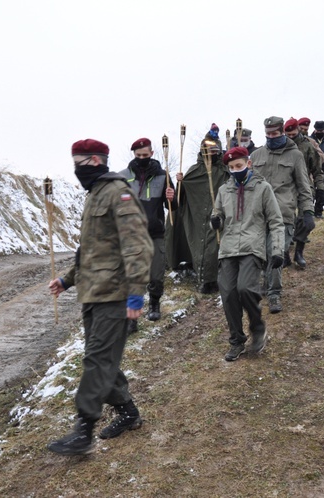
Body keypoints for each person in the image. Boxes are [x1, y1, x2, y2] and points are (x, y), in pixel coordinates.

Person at [47, 139, 153, 456]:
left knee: (97, 360)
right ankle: (128, 412)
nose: (76, 168)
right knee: (102, 358)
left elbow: (138, 246)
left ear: (95, 160)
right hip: (93, 293)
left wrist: (136, 296)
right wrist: (67, 279)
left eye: (79, 161)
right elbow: (90, 251)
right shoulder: (94, 196)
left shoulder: (118, 193)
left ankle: (83, 430)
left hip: (115, 294)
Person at [211, 147, 284, 361]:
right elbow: (217, 215)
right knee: (228, 292)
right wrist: (215, 221)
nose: (235, 170)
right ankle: (237, 340)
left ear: (249, 164)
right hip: (228, 248)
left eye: (239, 166)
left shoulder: (263, 188)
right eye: (232, 168)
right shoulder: (224, 190)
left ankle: (257, 327)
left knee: (245, 288)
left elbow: (276, 221)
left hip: (253, 247)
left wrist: (277, 249)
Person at [250, 116, 313, 313]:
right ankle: (263, 283)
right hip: (258, 214)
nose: (271, 137)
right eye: (268, 134)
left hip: (283, 214)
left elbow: (304, 186)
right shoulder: (256, 155)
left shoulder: (295, 156)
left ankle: (274, 293)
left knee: (276, 253)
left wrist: (308, 211)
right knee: (260, 253)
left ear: (282, 132)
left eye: (275, 134)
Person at [118, 138, 176, 332]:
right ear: (134, 154)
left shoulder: (164, 177)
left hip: (155, 232)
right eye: (138, 155)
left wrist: (172, 198)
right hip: (131, 234)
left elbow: (174, 207)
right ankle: (132, 318)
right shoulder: (123, 177)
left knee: (156, 273)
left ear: (152, 153)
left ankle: (154, 303)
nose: (142, 158)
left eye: (145, 155)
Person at [167, 138, 229, 294]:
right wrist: (181, 183)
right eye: (207, 151)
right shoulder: (194, 171)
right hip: (197, 214)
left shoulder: (224, 171)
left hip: (218, 214)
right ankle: (203, 279)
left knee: (214, 245)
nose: (210, 154)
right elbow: (181, 198)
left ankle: (213, 279)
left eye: (214, 151)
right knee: (199, 244)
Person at [283, 118, 322, 268]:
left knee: (307, 222)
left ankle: (299, 251)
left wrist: (321, 188)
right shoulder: (281, 146)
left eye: (293, 133)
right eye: (288, 134)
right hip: (285, 188)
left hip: (305, 187)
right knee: (285, 221)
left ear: (298, 130)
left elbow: (317, 170)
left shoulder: (307, 146)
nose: (290, 136)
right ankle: (285, 253)